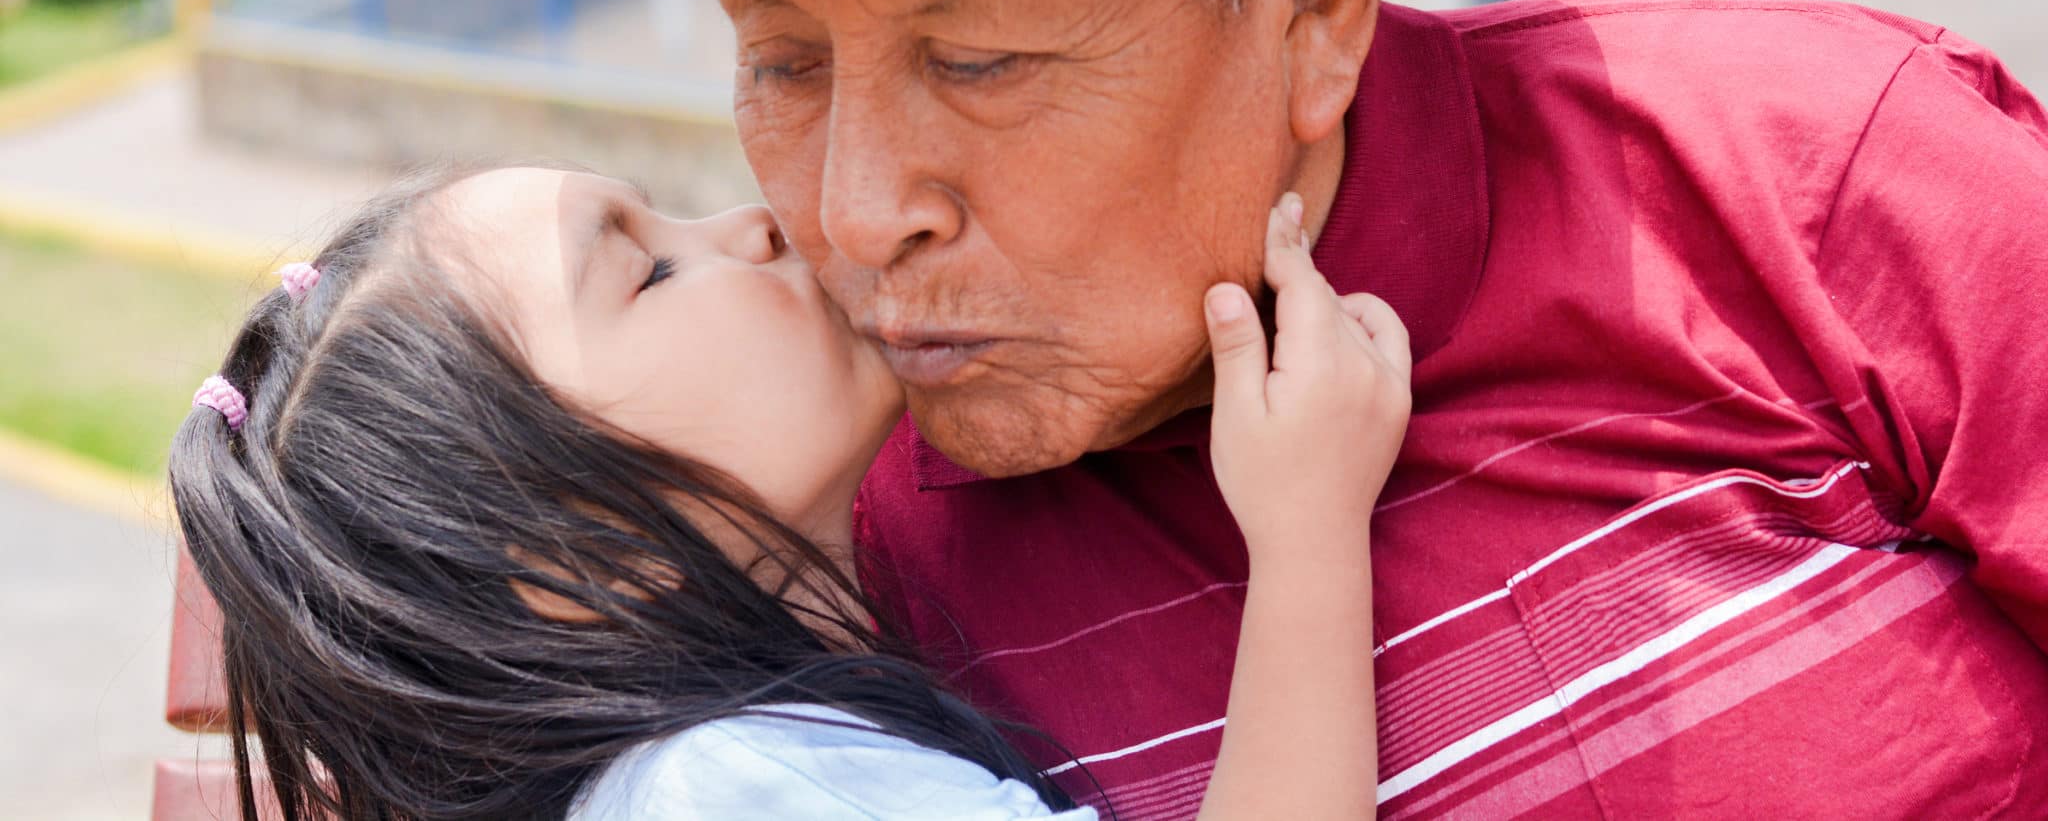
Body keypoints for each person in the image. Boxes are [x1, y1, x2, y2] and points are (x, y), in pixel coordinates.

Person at [499, 0, 2048, 816]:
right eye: (780, 62)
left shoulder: (1809, 180)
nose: (853, 214)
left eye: (977, 56)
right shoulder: (853, 565)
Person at [169, 162, 1411, 821]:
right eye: (649, 272)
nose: (753, 222)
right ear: (574, 566)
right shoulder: (742, 791)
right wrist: (1305, 529)